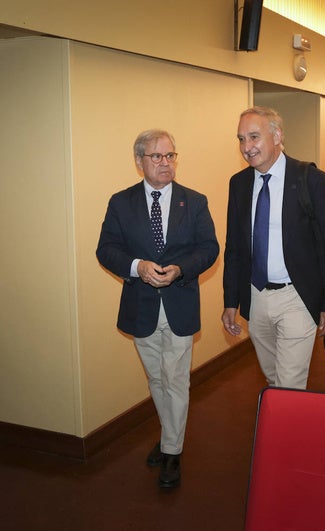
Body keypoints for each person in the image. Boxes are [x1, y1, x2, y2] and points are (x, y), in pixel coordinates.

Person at [96, 129, 219, 489]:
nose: (166, 163)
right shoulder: (121, 203)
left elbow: (209, 248)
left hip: (180, 302)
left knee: (176, 379)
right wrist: (137, 266)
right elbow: (106, 249)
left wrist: (181, 269)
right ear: (139, 162)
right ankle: (170, 435)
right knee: (156, 379)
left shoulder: (194, 202)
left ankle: (172, 453)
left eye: (171, 156)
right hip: (141, 306)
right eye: (157, 157)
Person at [222, 106, 325, 390]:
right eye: (241, 139)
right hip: (256, 296)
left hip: (296, 296)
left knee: (289, 384)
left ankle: (286, 433)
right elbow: (234, 248)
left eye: (254, 137)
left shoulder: (310, 180)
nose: (246, 147)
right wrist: (231, 300)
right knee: (274, 377)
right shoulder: (238, 185)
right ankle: (287, 423)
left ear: (277, 136)